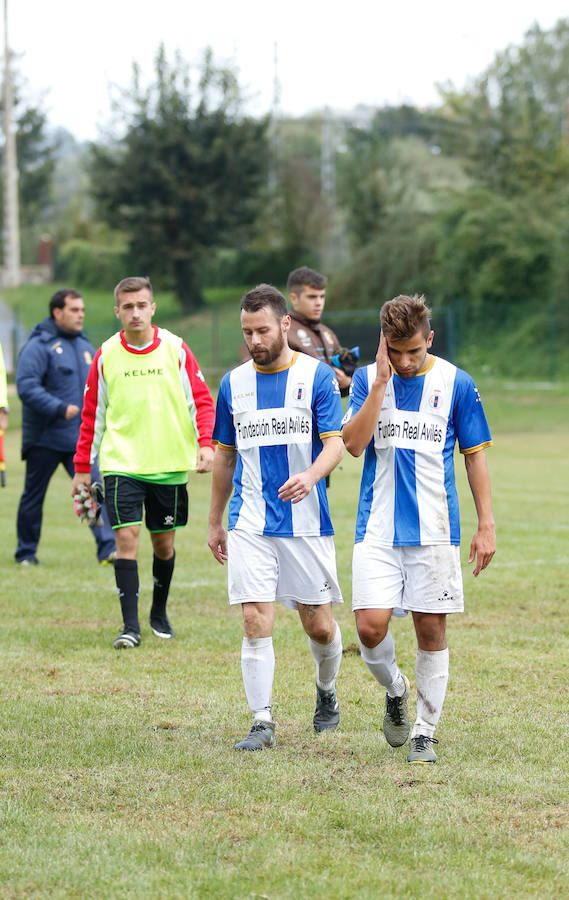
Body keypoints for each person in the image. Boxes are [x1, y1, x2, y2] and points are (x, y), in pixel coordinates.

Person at [342, 294, 495, 764]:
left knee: (431, 630)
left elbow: (475, 456)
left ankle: (425, 732)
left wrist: (486, 523)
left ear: (430, 339)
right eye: (395, 350)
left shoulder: (456, 383)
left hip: (435, 532)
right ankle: (396, 689)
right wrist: (377, 387)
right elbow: (352, 445)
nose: (405, 362)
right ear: (382, 344)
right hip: (377, 529)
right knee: (369, 628)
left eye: (414, 350)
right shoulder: (369, 379)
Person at [208, 283, 345, 751]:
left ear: (285, 324)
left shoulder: (318, 377)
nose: (255, 341)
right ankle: (261, 721)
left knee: (319, 627)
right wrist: (214, 520)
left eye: (262, 330)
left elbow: (336, 444)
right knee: (254, 618)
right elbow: (224, 457)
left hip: (305, 522)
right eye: (247, 332)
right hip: (250, 521)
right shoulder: (233, 383)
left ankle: (326, 691)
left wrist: (309, 476)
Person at [72, 276, 215, 649]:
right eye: (128, 306)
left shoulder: (176, 349)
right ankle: (130, 627)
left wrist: (205, 445)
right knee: (126, 539)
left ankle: (159, 612)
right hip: (121, 464)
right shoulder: (105, 354)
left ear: (152, 308)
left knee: (163, 545)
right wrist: (82, 469)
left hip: (168, 464)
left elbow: (200, 401)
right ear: (117, 311)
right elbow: (92, 417)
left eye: (142, 305)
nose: (135, 313)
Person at [14, 289, 116, 566]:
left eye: (82, 310)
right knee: (33, 498)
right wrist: (59, 407)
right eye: (74, 310)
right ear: (57, 313)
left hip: (78, 441)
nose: (80, 315)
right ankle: (26, 552)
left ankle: (107, 549)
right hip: (44, 439)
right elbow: (26, 386)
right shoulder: (38, 346)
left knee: (92, 493)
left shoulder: (85, 347)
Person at [286, 266, 354, 397]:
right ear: (294, 298)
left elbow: (341, 383)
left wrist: (346, 382)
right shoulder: (284, 332)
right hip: (299, 412)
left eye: (322, 297)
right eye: (312, 297)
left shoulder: (327, 333)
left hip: (328, 413)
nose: (319, 303)